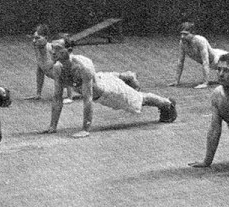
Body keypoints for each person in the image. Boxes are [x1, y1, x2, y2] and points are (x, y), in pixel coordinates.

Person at [40, 35, 177, 138]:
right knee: (108, 79)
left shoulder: (83, 67)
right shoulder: (58, 68)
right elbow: (57, 97)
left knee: (140, 100)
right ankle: (125, 76)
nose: (53, 52)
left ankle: (168, 103)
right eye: (52, 48)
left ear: (69, 50)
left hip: (109, 92)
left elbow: (88, 99)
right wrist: (53, 126)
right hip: (101, 78)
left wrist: (85, 129)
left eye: (58, 49)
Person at [168, 22, 228, 89]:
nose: (182, 36)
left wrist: (205, 83)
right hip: (214, 62)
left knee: (228, 79)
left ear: (193, 34)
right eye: (181, 34)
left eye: (185, 34)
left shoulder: (200, 40)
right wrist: (176, 81)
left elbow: (205, 62)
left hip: (222, 58)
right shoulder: (182, 43)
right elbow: (180, 62)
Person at [27, 23, 74, 103]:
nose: (34, 41)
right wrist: (38, 94)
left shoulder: (53, 50)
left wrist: (70, 97)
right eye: (33, 38)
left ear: (46, 38)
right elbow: (40, 71)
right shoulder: (37, 48)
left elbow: (69, 68)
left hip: (78, 82)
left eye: (37, 38)